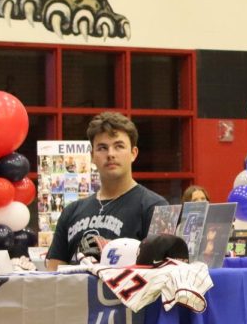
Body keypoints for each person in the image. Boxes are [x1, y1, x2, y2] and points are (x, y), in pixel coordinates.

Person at [46, 112, 168, 270]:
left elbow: (162, 275)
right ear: (92, 156)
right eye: (102, 148)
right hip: (77, 294)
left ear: (133, 153)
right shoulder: (71, 212)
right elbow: (54, 274)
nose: (110, 154)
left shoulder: (155, 207)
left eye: (119, 146)